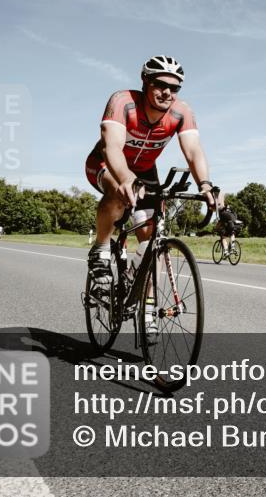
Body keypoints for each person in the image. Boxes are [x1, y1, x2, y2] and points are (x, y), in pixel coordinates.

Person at [84, 55, 218, 339]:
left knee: (151, 239)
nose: (167, 92)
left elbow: (193, 150)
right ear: (145, 82)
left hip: (146, 170)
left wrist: (205, 185)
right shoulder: (124, 102)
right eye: (160, 84)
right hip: (107, 163)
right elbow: (113, 147)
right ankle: (101, 249)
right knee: (119, 195)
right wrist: (125, 178)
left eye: (175, 87)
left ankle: (146, 305)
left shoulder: (181, 112)